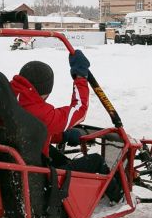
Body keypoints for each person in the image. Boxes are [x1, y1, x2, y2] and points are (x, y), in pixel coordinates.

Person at [10, 51, 123, 203]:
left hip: (18, 167)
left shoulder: (7, 101)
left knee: (52, 152)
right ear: (46, 90)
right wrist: (80, 77)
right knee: (96, 161)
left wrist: (61, 135)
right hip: (37, 180)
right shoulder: (40, 112)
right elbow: (79, 109)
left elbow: (28, 130)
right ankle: (119, 197)